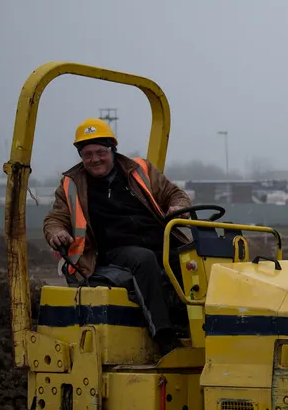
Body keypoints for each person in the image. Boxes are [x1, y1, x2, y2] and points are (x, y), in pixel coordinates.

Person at [43, 118, 192, 356]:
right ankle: (164, 335)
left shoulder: (140, 170)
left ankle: (195, 323)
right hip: (109, 251)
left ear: (112, 149)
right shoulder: (71, 185)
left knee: (190, 257)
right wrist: (56, 232)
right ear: (81, 156)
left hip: (156, 241)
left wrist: (178, 206)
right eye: (88, 154)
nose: (95, 159)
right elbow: (55, 218)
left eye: (100, 152)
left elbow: (174, 194)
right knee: (143, 260)